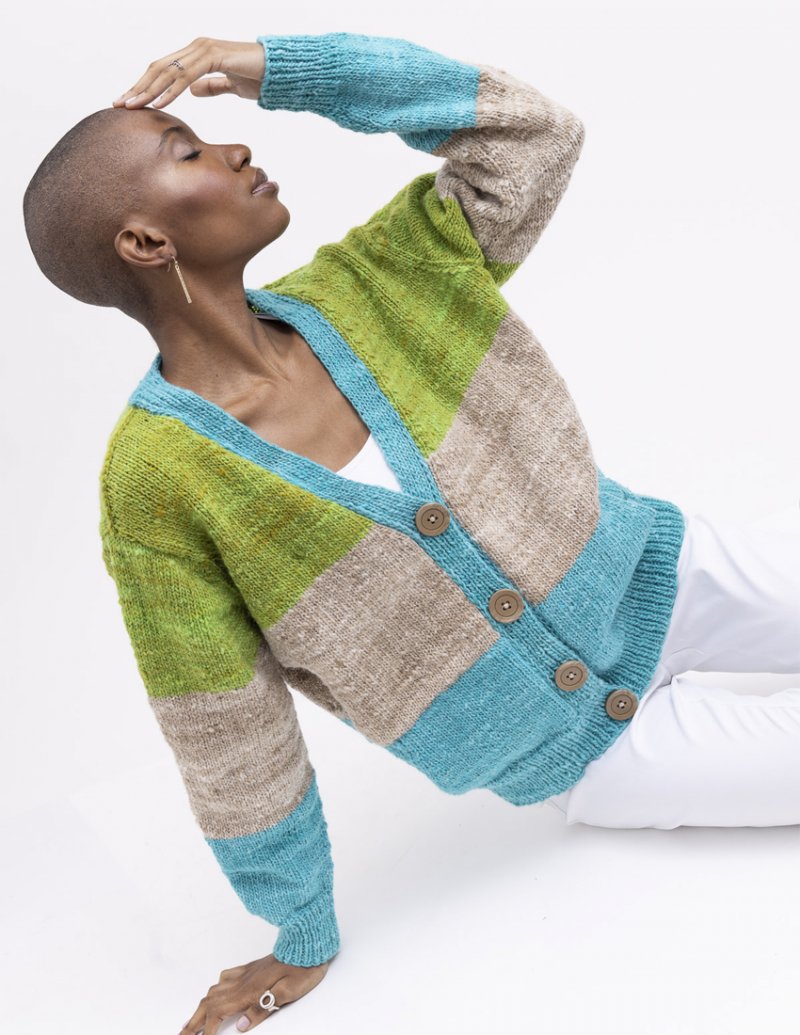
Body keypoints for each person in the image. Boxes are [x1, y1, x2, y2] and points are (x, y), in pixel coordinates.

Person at [22, 31, 800, 1035]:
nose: (233, 150)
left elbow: (533, 136)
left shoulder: (377, 281)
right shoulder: (158, 485)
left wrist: (286, 72)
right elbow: (223, 722)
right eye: (188, 152)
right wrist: (300, 931)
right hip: (594, 755)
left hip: (670, 576)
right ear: (143, 243)